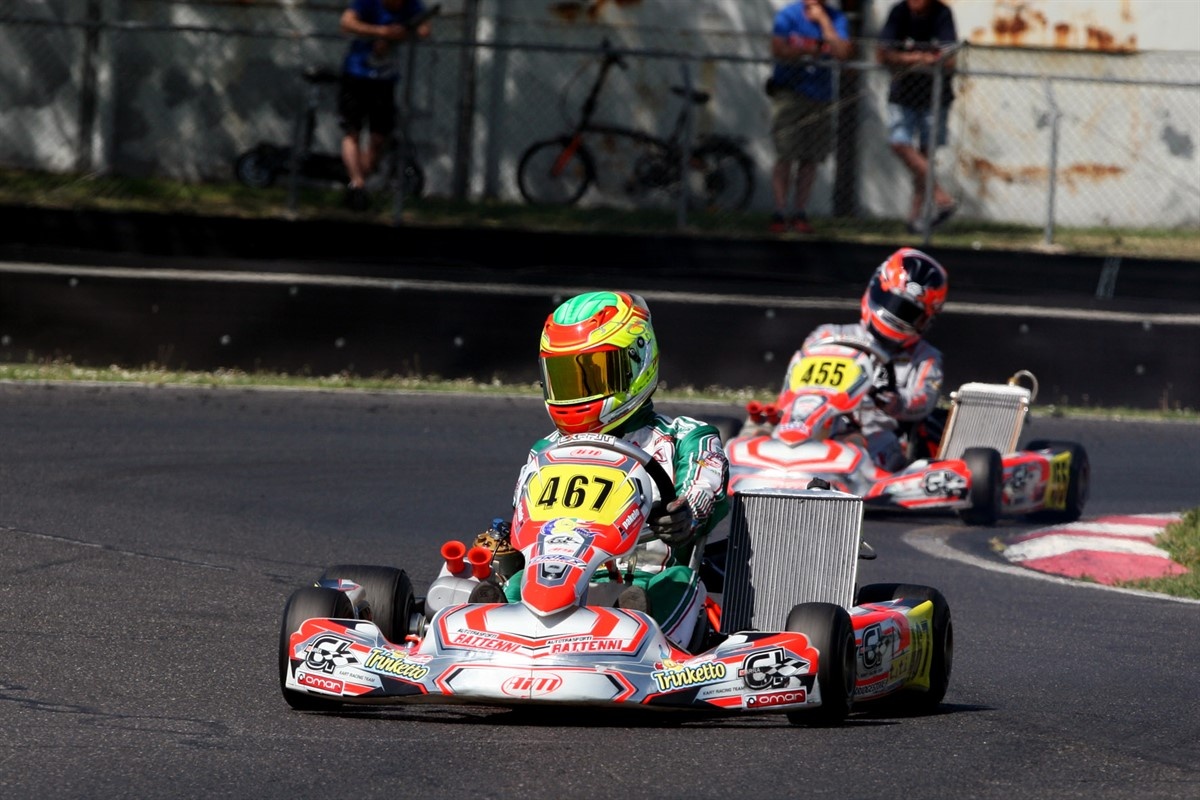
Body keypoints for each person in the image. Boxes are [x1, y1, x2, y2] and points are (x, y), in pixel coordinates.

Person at [487, 291, 730, 650]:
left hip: (646, 582)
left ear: (637, 362)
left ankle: (636, 636)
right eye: (566, 379)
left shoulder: (686, 436)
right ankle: (487, 628)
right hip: (558, 581)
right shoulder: (547, 450)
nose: (577, 391)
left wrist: (686, 515)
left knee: (679, 581)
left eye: (592, 376)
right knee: (512, 583)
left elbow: (705, 486)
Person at [803, 247, 948, 471]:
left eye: (907, 312)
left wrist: (896, 402)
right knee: (764, 426)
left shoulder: (925, 358)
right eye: (890, 302)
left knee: (856, 446)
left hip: (879, 433)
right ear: (875, 288)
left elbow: (924, 399)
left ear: (926, 319)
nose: (894, 315)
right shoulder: (827, 335)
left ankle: (841, 466)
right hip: (815, 420)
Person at [768, 0, 853, 235]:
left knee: (810, 157)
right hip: (790, 92)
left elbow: (842, 52)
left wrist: (824, 22)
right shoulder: (789, 15)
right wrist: (808, 50)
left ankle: (799, 212)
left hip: (820, 96)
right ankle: (780, 211)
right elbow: (778, 49)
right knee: (785, 153)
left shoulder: (836, 19)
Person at [337, 0, 431, 211]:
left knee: (379, 138)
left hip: (384, 80)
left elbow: (424, 30)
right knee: (352, 131)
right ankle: (358, 186)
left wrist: (400, 35)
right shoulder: (367, 3)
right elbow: (346, 23)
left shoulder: (411, 5)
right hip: (356, 75)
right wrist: (380, 32)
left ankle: (355, 183)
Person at [877, 0, 959, 235]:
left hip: (935, 97)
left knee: (924, 157)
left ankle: (915, 221)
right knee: (899, 143)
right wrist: (918, 59)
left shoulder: (942, 14)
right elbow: (882, 54)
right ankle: (941, 197)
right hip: (903, 95)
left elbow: (949, 59)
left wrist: (913, 57)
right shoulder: (899, 12)